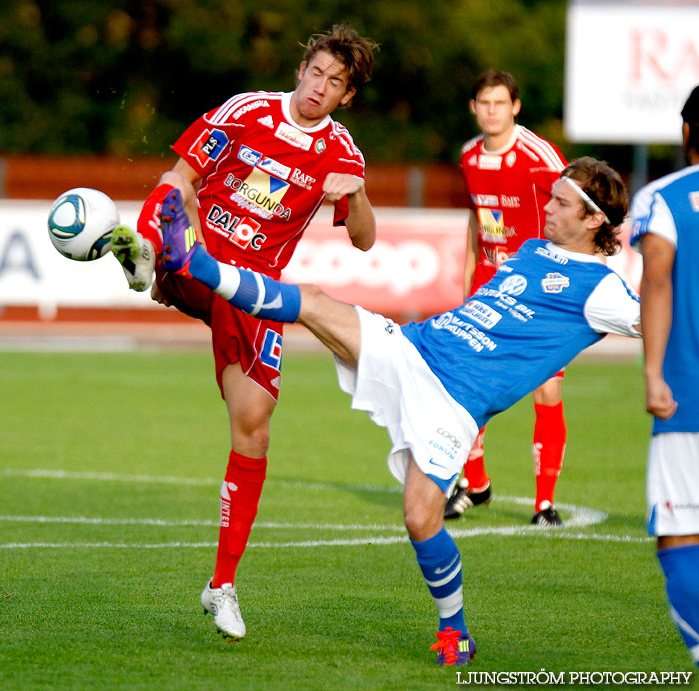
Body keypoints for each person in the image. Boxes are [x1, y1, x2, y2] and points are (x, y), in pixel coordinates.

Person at [158, 156, 641, 665]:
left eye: (562, 203)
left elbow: (658, 319)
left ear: (594, 221)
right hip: (415, 348)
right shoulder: (532, 249)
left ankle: (454, 632)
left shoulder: (603, 289)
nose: (548, 207)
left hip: (455, 404)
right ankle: (194, 265)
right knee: (316, 301)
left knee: (419, 517)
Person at [109, 24, 379, 640]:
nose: (320, 86)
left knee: (254, 427)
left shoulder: (341, 153)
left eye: (336, 82)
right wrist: (163, 228)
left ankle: (221, 586)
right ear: (301, 69)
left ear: (346, 97)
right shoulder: (247, 110)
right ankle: (152, 257)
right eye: (316, 72)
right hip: (201, 246)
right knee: (174, 208)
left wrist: (356, 195)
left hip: (255, 292)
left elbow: (364, 240)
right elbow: (180, 175)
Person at [449, 71, 569, 526]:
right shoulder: (468, 156)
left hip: (538, 292)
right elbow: (477, 220)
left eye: (501, 102)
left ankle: (544, 504)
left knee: (547, 388)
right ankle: (475, 483)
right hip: (488, 285)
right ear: (473, 107)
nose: (492, 110)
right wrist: (467, 281)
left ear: (515, 107)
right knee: (466, 384)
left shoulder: (539, 155)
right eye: (484, 102)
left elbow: (576, 207)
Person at [630, 84, 699, 670]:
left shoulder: (663, 198)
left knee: (680, 535)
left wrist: (653, 373)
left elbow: (657, 281)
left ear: (686, 135)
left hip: (688, 396)